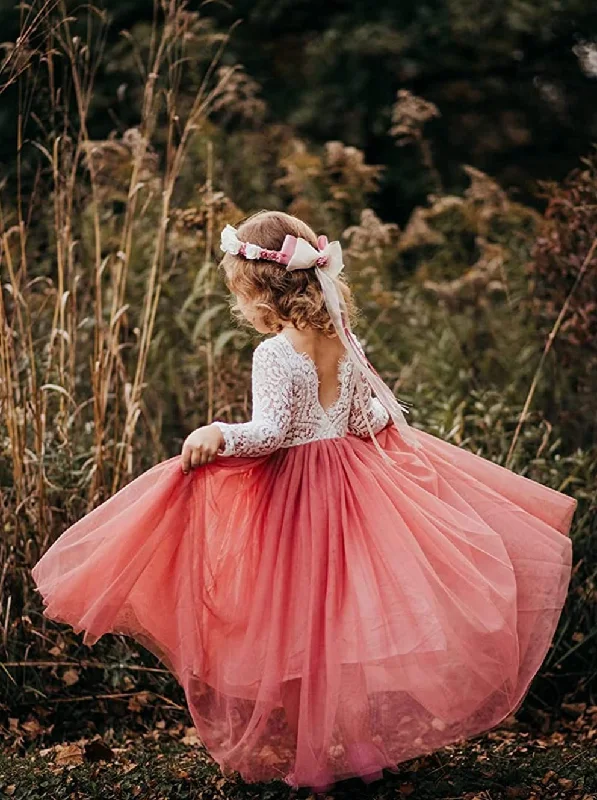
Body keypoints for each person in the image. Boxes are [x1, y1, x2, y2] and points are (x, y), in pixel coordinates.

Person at [32, 210, 577, 793]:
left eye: (239, 292)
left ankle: (311, 754)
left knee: (296, 618)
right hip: (351, 489)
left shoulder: (275, 354)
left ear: (261, 287)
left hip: (295, 498)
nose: (239, 307)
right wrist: (365, 427)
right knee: (340, 619)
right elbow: (365, 416)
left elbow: (270, 434)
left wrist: (220, 432)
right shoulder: (342, 337)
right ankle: (360, 746)